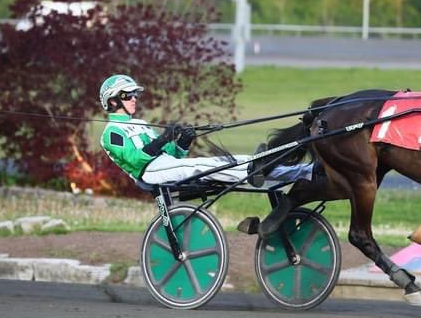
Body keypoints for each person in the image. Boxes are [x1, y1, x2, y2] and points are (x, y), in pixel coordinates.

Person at [98, 74, 304, 235]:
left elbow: (171, 156)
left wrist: (182, 142)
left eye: (135, 94)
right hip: (149, 173)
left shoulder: (141, 124)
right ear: (114, 102)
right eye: (128, 95)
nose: (134, 99)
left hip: (164, 165)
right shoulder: (111, 132)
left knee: (225, 161)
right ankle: (250, 171)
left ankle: (304, 171)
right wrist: (162, 139)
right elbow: (136, 159)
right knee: (200, 165)